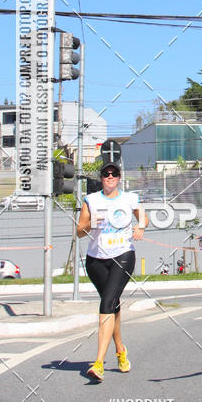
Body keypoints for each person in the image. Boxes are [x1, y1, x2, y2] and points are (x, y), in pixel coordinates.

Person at [77, 162, 146, 382]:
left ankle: (98, 363)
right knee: (112, 304)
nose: (110, 177)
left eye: (114, 174)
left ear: (119, 178)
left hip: (122, 256)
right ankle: (120, 350)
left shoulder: (129, 198)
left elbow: (143, 216)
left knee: (106, 303)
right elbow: (79, 231)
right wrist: (90, 225)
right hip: (96, 260)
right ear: (101, 178)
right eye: (106, 174)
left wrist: (140, 226)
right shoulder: (91, 200)